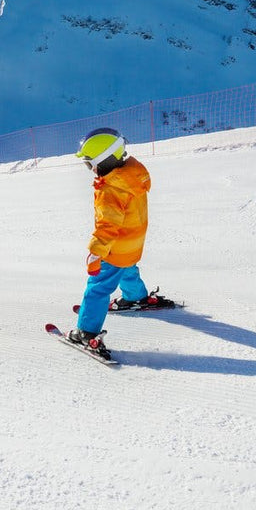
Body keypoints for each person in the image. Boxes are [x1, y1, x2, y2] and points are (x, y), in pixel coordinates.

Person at [69, 127, 172, 357]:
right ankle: (136, 297)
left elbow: (107, 227)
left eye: (89, 163)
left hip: (114, 248)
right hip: (133, 243)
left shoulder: (111, 190)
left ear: (103, 161)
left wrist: (95, 254)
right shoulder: (131, 176)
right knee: (127, 269)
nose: (89, 169)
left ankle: (86, 331)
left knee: (98, 287)